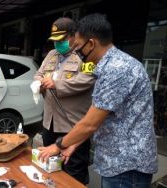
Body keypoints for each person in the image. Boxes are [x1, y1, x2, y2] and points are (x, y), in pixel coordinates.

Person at [38, 14, 158, 188]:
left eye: (78, 47)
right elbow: (102, 115)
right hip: (116, 160)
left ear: (91, 43)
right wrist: (72, 145)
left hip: (127, 164)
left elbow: (90, 123)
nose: (77, 53)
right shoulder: (110, 66)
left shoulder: (117, 69)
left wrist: (58, 145)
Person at [34, 17, 95, 184]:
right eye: (55, 40)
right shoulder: (52, 54)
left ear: (73, 36)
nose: (57, 44)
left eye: (61, 40)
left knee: (73, 173)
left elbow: (87, 80)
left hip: (72, 125)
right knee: (51, 167)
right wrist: (38, 83)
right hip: (50, 123)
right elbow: (39, 73)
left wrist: (57, 84)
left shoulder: (85, 54)